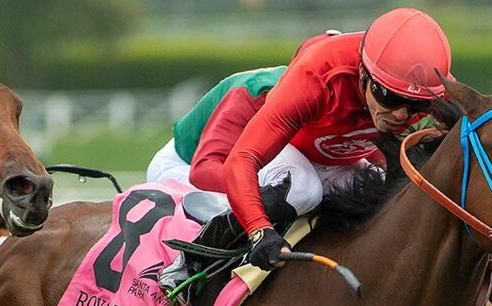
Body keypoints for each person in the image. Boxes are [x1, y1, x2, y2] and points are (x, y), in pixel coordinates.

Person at [146, 7, 453, 276]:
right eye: (388, 97)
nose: (400, 114)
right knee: (303, 187)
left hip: (288, 160)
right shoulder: (267, 91)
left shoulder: (406, 91)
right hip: (184, 170)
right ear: (363, 74)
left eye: (416, 105)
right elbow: (212, 169)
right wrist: (258, 228)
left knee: (372, 185)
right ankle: (187, 265)